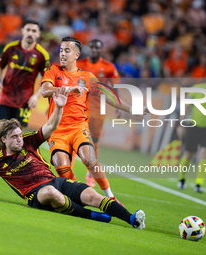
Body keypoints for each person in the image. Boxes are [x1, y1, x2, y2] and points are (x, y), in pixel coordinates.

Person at [0, 87, 146, 230]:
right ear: (3, 139)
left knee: (91, 195)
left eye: (19, 135)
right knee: (52, 194)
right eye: (14, 137)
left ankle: (131, 218)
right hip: (36, 194)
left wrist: (59, 106)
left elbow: (50, 127)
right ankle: (90, 216)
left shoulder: (30, 141)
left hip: (57, 181)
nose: (19, 139)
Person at [41, 37, 148, 204]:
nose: (62, 53)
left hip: (78, 127)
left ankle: (111, 197)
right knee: (61, 166)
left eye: (67, 50)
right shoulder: (54, 71)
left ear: (76, 54)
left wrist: (132, 109)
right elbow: (45, 90)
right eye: (61, 50)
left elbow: (108, 95)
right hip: (56, 129)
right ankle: (76, 195)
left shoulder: (87, 76)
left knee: (89, 159)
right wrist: (69, 89)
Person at [0, 20, 50, 147]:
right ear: (23, 31)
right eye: (28, 30)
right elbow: (0, 66)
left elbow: (47, 79)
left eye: (33, 31)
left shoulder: (42, 55)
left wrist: (36, 96)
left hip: (24, 101)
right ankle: (5, 159)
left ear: (38, 34)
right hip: (5, 97)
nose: (30, 33)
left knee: (14, 138)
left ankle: (6, 163)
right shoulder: (10, 48)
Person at [76, 39, 120, 187]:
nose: (94, 49)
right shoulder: (79, 64)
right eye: (92, 46)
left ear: (102, 50)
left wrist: (118, 106)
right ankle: (66, 169)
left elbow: (116, 87)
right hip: (79, 106)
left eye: (97, 47)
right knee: (72, 136)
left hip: (97, 110)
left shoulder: (108, 67)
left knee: (93, 141)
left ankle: (90, 172)